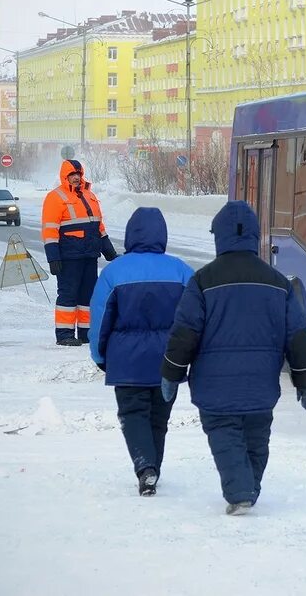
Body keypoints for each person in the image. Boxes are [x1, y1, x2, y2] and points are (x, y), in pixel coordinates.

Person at [160, 200, 306, 516]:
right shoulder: (278, 283)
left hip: (214, 389)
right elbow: (298, 336)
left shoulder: (202, 282)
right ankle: (248, 487)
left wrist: (172, 373)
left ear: (219, 237)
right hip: (261, 386)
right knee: (256, 440)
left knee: (225, 436)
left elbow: (184, 333)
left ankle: (241, 490)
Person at [88, 207, 193, 496]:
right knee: (159, 418)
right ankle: (153, 468)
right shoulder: (181, 271)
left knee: (133, 414)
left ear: (130, 234)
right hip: (170, 360)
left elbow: (99, 319)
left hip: (127, 361)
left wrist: (99, 355)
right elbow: (196, 319)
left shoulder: (114, 272)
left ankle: (145, 467)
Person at [42, 159, 118, 346]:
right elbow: (50, 230)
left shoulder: (89, 196)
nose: (76, 178)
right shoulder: (55, 197)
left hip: (89, 255)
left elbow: (98, 227)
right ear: (65, 177)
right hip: (69, 257)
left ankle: (87, 333)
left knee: (88, 296)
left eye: (78, 174)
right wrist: (53, 257)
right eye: (72, 175)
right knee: (68, 295)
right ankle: (65, 334)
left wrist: (109, 252)